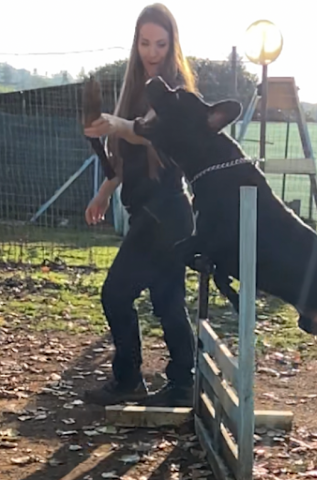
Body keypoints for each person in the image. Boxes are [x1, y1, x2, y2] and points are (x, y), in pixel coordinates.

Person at [82, 3, 197, 407]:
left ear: (172, 45)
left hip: (164, 213)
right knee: (167, 301)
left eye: (161, 44)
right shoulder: (133, 86)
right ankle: (183, 384)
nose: (152, 52)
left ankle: (130, 378)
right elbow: (127, 158)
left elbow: (154, 135)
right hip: (153, 213)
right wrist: (104, 190)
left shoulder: (176, 91)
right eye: (145, 43)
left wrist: (117, 124)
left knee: (115, 294)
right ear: (136, 43)